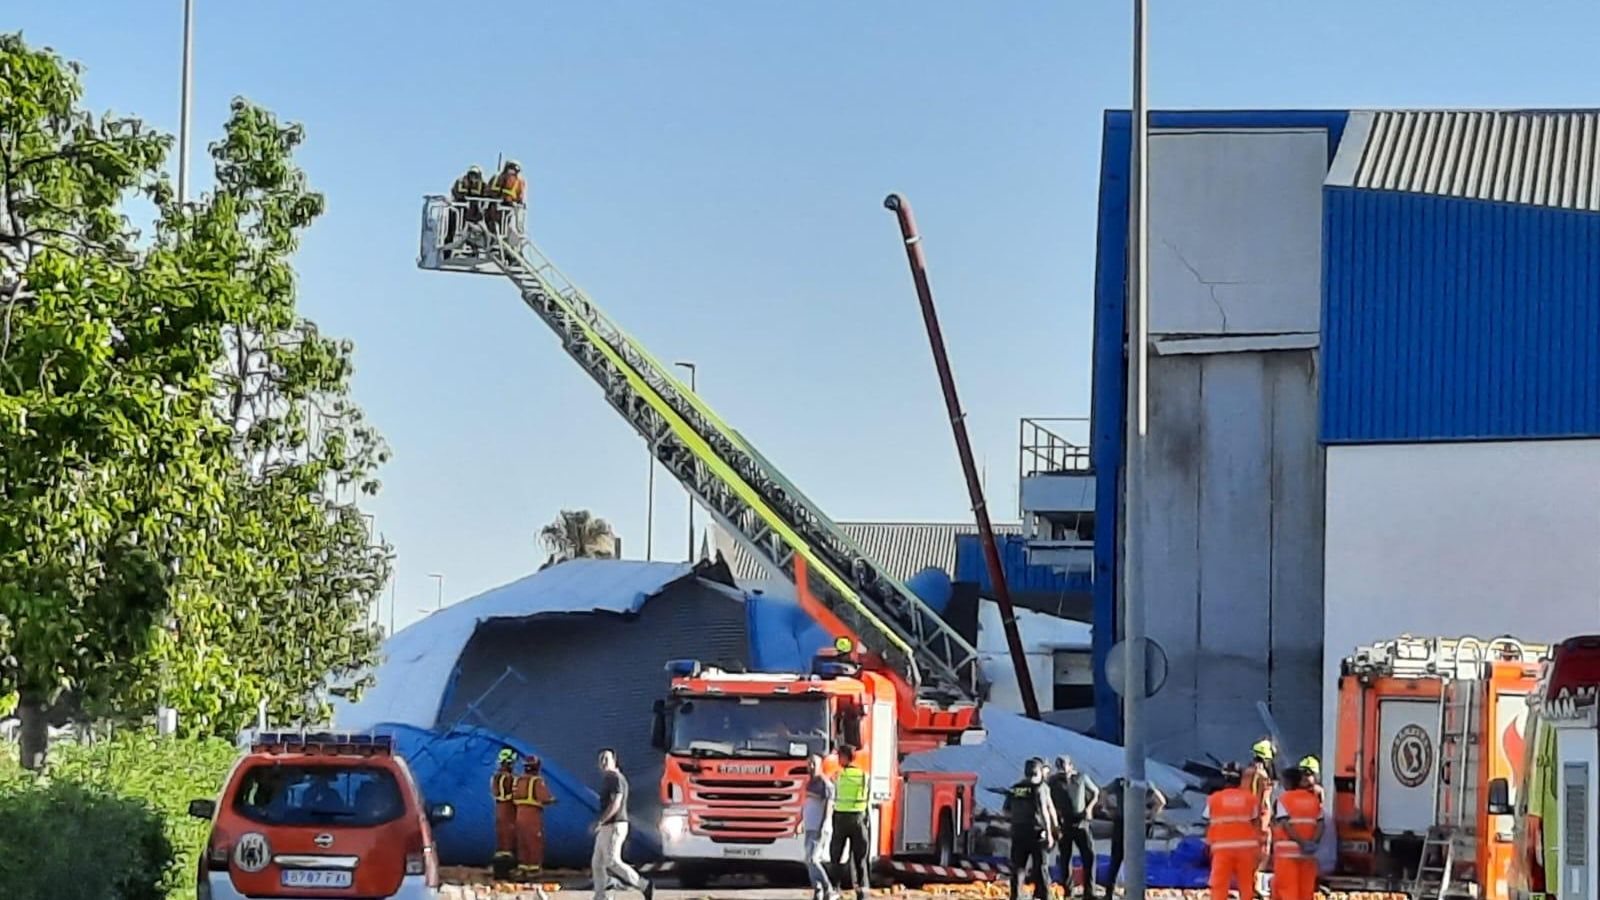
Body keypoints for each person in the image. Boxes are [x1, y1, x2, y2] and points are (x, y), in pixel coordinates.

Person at [591, 749, 654, 900]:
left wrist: (602, 821)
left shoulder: (615, 778)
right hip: (607, 825)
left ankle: (644, 885)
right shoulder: (609, 779)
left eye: (607, 759)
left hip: (615, 824)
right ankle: (600, 896)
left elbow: (616, 803)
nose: (603, 762)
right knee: (597, 862)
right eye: (601, 759)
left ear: (614, 761)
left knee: (612, 861)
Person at [1099, 775, 1167, 894]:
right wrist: (1151, 816)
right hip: (1137, 824)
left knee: (1116, 859)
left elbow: (1103, 792)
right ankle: (1133, 891)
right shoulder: (1144, 783)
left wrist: (1108, 809)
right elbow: (1161, 801)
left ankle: (1109, 892)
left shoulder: (1120, 783)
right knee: (1135, 860)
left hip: (1122, 821)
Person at [1204, 765, 1262, 900]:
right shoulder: (1250, 799)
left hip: (1222, 850)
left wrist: (1208, 845)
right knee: (1246, 885)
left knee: (1219, 885)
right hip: (1246, 850)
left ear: (1225, 779)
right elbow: (1256, 823)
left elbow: (1209, 823)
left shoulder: (1214, 799)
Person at [1005, 758, 1058, 900]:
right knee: (1041, 867)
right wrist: (1050, 833)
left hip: (1018, 832)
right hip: (1036, 832)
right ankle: (1045, 896)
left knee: (1018, 868)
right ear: (1039, 772)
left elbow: (1006, 810)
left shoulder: (1016, 788)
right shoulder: (1040, 788)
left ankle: (1016, 895)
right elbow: (1044, 811)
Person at [1048, 755, 1099, 899]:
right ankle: (1068, 891)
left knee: (1089, 856)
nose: (1064, 772)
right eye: (1061, 769)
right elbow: (1048, 799)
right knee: (1065, 857)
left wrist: (1089, 808)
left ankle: (1089, 891)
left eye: (1065, 768)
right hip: (1064, 822)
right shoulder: (1053, 782)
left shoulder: (1081, 778)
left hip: (1081, 821)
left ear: (1071, 766)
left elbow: (1096, 792)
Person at [1271, 767, 1323, 900]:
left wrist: (1301, 842)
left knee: (1288, 891)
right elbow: (1320, 824)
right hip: (1308, 854)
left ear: (1288, 782)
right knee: (1306, 891)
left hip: (1287, 855)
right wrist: (1312, 843)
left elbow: (1286, 825)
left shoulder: (1284, 799)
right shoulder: (1314, 801)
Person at [830, 745, 873, 899]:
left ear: (845, 757)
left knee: (836, 856)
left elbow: (831, 794)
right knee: (860, 857)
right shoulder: (864, 775)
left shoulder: (838, 775)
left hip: (841, 819)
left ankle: (835, 888)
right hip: (859, 819)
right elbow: (868, 797)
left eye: (839, 756)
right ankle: (863, 891)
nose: (838, 759)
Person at [513, 754, 557, 879]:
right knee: (534, 841)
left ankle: (522, 867)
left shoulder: (518, 780)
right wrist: (552, 800)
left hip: (519, 814)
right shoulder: (537, 781)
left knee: (522, 841)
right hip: (532, 815)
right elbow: (544, 797)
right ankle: (534, 869)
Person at [803, 754, 838, 900]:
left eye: (813, 763)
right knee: (808, 859)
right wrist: (800, 821)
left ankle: (829, 889)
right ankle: (818, 891)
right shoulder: (810, 783)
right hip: (809, 826)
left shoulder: (825, 783)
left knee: (813, 859)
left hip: (819, 827)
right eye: (809, 763)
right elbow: (807, 804)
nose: (810, 766)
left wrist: (824, 823)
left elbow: (829, 804)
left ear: (820, 765)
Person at [1243, 740, 1276, 863]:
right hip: (1259, 823)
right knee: (1259, 860)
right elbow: (1256, 799)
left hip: (1251, 822)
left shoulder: (1247, 773)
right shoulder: (1259, 775)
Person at [491, 748, 518, 877]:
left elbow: (495, 792)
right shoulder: (510, 778)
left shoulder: (496, 777)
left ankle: (500, 866)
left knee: (501, 834)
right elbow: (513, 794)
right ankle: (507, 867)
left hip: (499, 808)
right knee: (509, 835)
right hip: (508, 808)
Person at [446, 165, 487, 249]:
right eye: (472, 175)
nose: (473, 177)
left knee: (476, 231)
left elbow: (487, 195)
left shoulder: (483, 184)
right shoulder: (460, 181)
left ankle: (474, 247)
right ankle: (448, 249)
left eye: (475, 175)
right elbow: (456, 193)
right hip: (458, 212)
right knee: (452, 230)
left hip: (474, 214)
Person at [487, 159, 527, 239]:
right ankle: (494, 237)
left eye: (514, 170)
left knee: (504, 223)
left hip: (508, 207)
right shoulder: (499, 177)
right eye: (510, 169)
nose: (511, 173)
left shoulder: (519, 182)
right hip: (497, 204)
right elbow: (491, 190)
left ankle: (502, 237)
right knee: (493, 221)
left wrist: (520, 203)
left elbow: (520, 195)